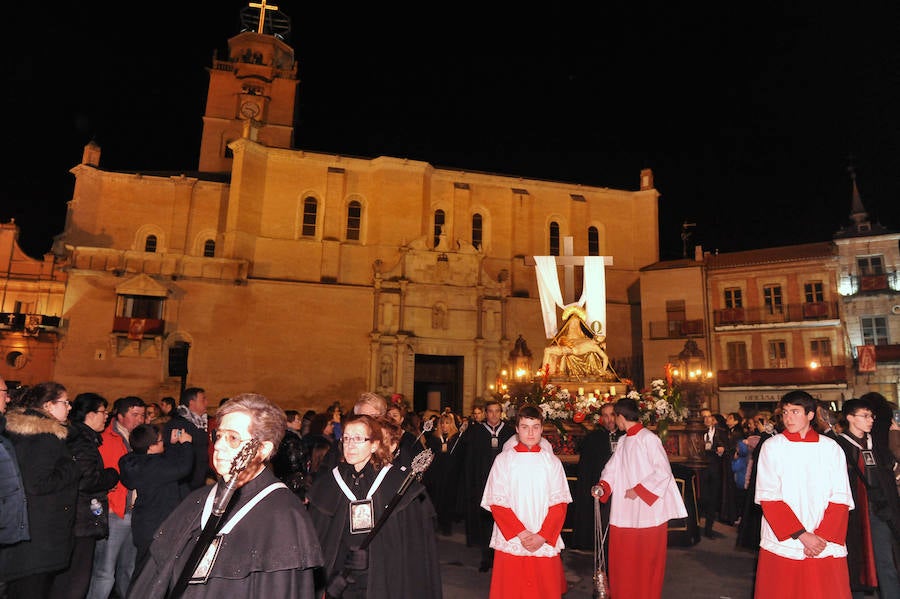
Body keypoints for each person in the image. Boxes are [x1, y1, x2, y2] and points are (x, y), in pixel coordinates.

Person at [127, 393, 323, 597]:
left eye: (233, 438)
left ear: (263, 449)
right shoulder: (198, 500)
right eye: (218, 436)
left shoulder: (284, 514)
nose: (219, 446)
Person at [306, 413, 441, 598]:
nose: (350, 444)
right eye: (346, 438)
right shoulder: (330, 483)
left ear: (375, 445)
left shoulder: (397, 483)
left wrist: (375, 556)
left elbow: (413, 548)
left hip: (386, 580)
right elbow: (319, 541)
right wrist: (332, 574)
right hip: (341, 582)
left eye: (359, 438)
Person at [753, 390, 854, 599]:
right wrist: (802, 535)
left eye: (795, 412)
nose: (788, 418)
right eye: (786, 412)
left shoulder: (831, 448)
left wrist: (821, 538)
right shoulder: (772, 447)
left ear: (810, 414)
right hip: (786, 539)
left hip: (823, 540)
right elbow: (769, 497)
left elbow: (841, 496)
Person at [591, 397, 688, 599]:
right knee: (623, 562)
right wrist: (603, 486)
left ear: (620, 416)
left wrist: (639, 490)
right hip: (624, 512)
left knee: (646, 564)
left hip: (648, 513)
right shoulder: (625, 440)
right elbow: (612, 468)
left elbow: (663, 472)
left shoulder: (649, 439)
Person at [481, 404, 572, 598]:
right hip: (513, 537)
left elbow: (560, 504)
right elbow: (497, 502)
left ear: (542, 428)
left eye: (535, 427)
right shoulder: (503, 460)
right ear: (516, 428)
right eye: (525, 427)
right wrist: (522, 533)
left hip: (543, 538)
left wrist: (542, 536)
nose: (530, 432)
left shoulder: (552, 462)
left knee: (543, 590)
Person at [0, 382, 82, 599]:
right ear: (48, 406)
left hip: (34, 537)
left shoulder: (30, 433)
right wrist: (72, 469)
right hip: (39, 538)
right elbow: (36, 483)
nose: (69, 407)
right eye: (65, 402)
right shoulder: (42, 438)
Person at [51, 393, 120, 599]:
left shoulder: (82, 437)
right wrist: (112, 475)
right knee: (76, 580)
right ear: (89, 414)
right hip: (81, 520)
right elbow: (87, 479)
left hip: (79, 519)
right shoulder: (82, 441)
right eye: (102, 411)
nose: (106, 416)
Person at [836, 398, 900, 599]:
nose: (870, 420)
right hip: (853, 513)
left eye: (871, 416)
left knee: (886, 560)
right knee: (856, 560)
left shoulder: (876, 444)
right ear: (850, 418)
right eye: (865, 416)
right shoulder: (839, 446)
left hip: (879, 509)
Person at [87, 395, 146, 599]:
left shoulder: (141, 439)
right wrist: (105, 505)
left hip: (136, 512)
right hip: (113, 512)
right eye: (135, 415)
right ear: (119, 416)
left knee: (129, 569)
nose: (140, 420)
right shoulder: (104, 437)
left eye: (143, 415)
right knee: (104, 572)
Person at [118, 422, 194, 577]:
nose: (163, 443)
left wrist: (170, 444)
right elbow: (183, 468)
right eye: (160, 441)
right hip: (158, 525)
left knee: (142, 570)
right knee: (151, 574)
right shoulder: (155, 467)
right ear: (151, 447)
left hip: (143, 525)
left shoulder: (131, 462)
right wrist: (186, 443)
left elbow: (166, 465)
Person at [459, 399, 516, 572]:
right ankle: (486, 557)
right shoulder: (475, 432)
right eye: (490, 411)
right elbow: (468, 461)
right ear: (485, 413)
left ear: (501, 413)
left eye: (497, 411)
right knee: (485, 521)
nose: (493, 415)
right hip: (482, 483)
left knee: (503, 520)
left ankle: (501, 557)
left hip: (504, 483)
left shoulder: (509, 432)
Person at [569, 400, 620, 551]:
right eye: (605, 416)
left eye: (612, 415)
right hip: (600, 487)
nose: (609, 419)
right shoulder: (593, 438)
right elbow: (586, 469)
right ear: (601, 418)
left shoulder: (626, 436)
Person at [163, 387, 212, 496]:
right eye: (203, 399)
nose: (207, 403)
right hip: (185, 484)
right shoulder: (178, 424)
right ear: (192, 402)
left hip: (201, 480)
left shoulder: (203, 423)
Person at [541, 306, 610, 377]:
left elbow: (605, 357)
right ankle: (544, 372)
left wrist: (603, 370)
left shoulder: (594, 347)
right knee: (547, 350)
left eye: (575, 322)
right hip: (569, 347)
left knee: (548, 350)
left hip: (570, 350)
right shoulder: (586, 339)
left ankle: (544, 373)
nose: (574, 325)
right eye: (572, 323)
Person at [423, 411, 463, 536]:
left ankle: (447, 525)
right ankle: (436, 524)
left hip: (451, 475)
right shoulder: (434, 438)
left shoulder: (456, 438)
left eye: (447, 423)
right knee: (436, 499)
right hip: (436, 475)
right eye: (442, 423)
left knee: (448, 500)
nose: (445, 426)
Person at [699, 408, 728, 538]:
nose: (706, 419)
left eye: (708, 416)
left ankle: (709, 529)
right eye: (703, 417)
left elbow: (729, 448)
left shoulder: (721, 432)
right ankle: (697, 525)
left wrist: (723, 450)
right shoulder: (697, 433)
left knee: (713, 499)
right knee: (702, 498)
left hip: (715, 467)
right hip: (701, 468)